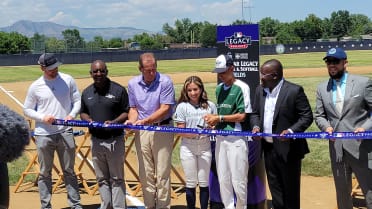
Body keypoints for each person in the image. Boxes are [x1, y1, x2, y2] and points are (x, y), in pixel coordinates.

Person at [250, 59, 313, 209]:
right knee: (275, 188)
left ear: (274, 75)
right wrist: (256, 127)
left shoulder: (294, 91)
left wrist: (291, 131)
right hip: (268, 148)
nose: (261, 78)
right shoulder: (260, 90)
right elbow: (255, 113)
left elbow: (307, 116)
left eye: (263, 75)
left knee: (290, 191)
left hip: (289, 150)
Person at [314, 47, 372, 209]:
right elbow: (319, 115)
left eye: (335, 62)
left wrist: (365, 127)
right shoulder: (322, 88)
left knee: (369, 189)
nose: (331, 65)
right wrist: (326, 128)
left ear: (345, 63)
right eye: (328, 62)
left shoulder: (362, 83)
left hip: (362, 147)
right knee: (341, 191)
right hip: (337, 149)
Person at [23, 53, 82, 209]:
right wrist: (42, 117)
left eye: (55, 67)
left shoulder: (68, 79)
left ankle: (75, 205)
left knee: (69, 171)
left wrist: (71, 114)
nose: (54, 70)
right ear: (42, 68)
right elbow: (27, 109)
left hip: (65, 131)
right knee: (45, 173)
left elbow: (77, 101)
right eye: (50, 69)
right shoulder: (35, 86)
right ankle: (46, 206)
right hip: (44, 135)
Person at [125, 52, 175, 209]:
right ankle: (149, 205)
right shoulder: (132, 84)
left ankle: (163, 206)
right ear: (140, 68)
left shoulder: (165, 81)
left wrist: (146, 120)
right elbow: (133, 109)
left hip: (162, 127)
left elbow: (165, 108)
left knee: (162, 173)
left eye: (154, 69)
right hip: (142, 131)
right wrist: (131, 122)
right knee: (145, 173)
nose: (152, 73)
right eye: (148, 70)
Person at [203, 54, 251, 209]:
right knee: (223, 178)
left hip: (236, 138)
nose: (220, 75)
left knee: (239, 180)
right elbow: (220, 114)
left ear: (232, 69)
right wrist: (214, 123)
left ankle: (241, 207)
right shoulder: (218, 89)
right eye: (218, 72)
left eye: (223, 71)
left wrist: (219, 118)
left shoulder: (242, 87)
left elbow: (242, 116)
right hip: (220, 138)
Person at [80, 60, 129, 209]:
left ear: (107, 71)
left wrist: (114, 121)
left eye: (101, 71)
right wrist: (88, 120)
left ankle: (119, 207)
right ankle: (106, 206)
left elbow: (126, 112)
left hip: (114, 140)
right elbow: (83, 112)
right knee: (101, 179)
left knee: (117, 178)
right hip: (96, 141)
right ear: (91, 73)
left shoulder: (118, 90)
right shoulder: (87, 92)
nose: (98, 74)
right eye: (95, 71)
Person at [173, 76, 217, 209]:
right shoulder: (182, 106)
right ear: (185, 92)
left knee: (204, 182)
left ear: (201, 89)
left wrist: (212, 127)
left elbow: (215, 126)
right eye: (189, 90)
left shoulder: (210, 106)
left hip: (205, 146)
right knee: (191, 182)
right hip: (188, 147)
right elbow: (181, 131)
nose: (193, 93)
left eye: (195, 89)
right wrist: (198, 132)